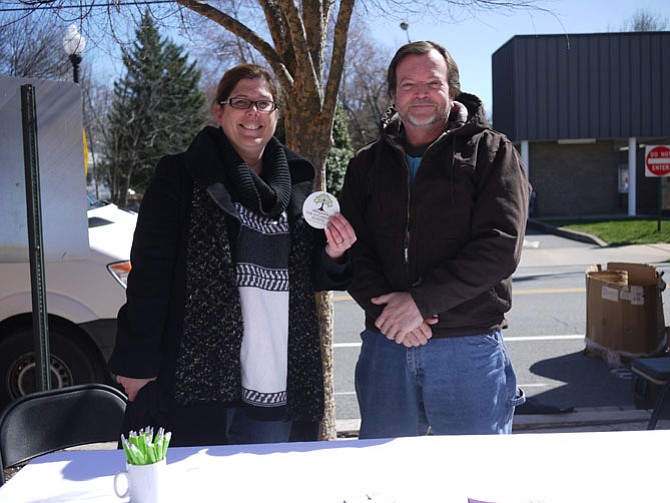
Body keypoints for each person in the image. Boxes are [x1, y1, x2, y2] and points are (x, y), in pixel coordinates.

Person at [108, 64, 356, 447]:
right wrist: (137, 362)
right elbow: (149, 276)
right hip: (197, 377)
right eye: (241, 102)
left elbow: (311, 275)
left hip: (276, 378)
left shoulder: (299, 182)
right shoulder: (181, 175)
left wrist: (334, 255)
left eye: (263, 103)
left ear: (276, 115)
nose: (253, 112)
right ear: (220, 111)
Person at [339, 41, 530, 438]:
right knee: (386, 485)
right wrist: (392, 315)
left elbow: (499, 247)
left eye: (432, 82)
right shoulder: (365, 164)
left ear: (452, 90)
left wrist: (420, 303)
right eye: (408, 84)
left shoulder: (493, 153)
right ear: (393, 94)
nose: (420, 93)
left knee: (475, 485)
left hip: (467, 346)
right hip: (386, 344)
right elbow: (353, 250)